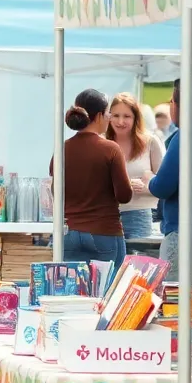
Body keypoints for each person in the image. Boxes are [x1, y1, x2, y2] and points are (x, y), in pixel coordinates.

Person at [139, 79, 182, 383]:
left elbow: (163, 185)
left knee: (174, 329)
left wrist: (149, 184)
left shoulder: (182, 139)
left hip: (180, 234)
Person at [49, 89, 132, 268]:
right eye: (109, 113)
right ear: (101, 116)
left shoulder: (62, 149)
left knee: (71, 292)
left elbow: (56, 192)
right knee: (105, 293)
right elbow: (124, 195)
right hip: (104, 232)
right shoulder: (110, 149)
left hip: (68, 233)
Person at [105, 93, 164, 241]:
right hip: (105, 216)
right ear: (108, 116)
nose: (120, 121)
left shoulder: (150, 142)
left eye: (127, 116)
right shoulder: (101, 143)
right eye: (116, 115)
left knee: (136, 261)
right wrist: (123, 186)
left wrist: (147, 186)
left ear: (136, 118)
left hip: (139, 215)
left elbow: (165, 184)